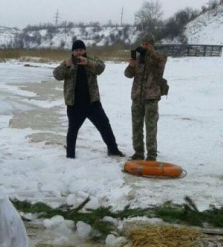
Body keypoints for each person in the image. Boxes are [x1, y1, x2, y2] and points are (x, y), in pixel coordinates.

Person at [53, 40, 125, 159]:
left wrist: (87, 63)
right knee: (72, 130)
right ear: (72, 52)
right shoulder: (68, 63)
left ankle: (113, 149)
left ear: (85, 50)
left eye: (81, 50)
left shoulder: (92, 60)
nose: (78, 53)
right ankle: (70, 155)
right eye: (76, 50)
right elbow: (57, 75)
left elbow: (101, 68)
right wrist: (65, 65)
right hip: (74, 104)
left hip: (92, 103)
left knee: (104, 126)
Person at [124, 33, 167, 161]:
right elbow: (127, 74)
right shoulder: (139, 59)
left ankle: (152, 154)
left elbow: (159, 58)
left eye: (147, 44)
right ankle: (138, 152)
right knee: (136, 125)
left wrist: (148, 52)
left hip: (151, 97)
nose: (144, 46)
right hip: (137, 97)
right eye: (143, 44)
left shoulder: (159, 56)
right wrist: (131, 65)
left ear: (152, 45)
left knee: (151, 126)